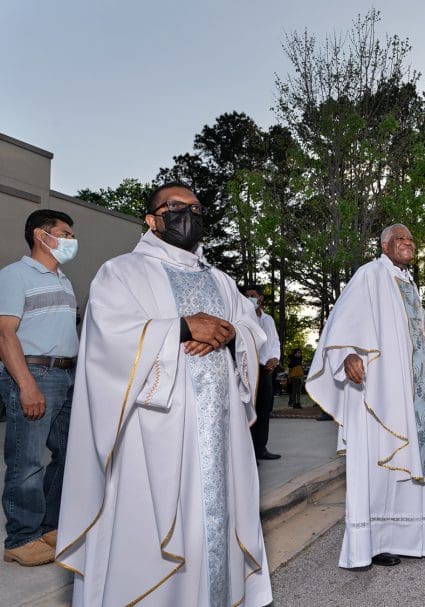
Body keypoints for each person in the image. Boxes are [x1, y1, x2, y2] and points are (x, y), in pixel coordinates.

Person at [55, 183, 273, 606]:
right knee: (150, 532)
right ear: (152, 219)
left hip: (219, 432)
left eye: (195, 207)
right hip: (153, 432)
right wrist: (184, 327)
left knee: (213, 524)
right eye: (175, 207)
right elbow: (107, 337)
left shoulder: (222, 281)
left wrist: (229, 333)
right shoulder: (122, 272)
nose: (187, 213)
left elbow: (252, 331)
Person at [305, 223, 425, 570]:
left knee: (409, 461)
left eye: (411, 239)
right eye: (400, 239)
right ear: (384, 246)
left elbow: (416, 335)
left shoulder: (410, 285)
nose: (407, 243)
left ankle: (414, 538)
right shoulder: (369, 275)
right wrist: (347, 355)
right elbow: (342, 322)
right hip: (376, 390)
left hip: (411, 393)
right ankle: (374, 542)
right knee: (378, 463)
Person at [0, 210, 79, 567]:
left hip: (65, 375)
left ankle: (49, 527)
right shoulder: (15, 276)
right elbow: (5, 334)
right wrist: (26, 385)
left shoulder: (63, 280)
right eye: (64, 233)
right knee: (27, 460)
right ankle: (21, 538)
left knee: (69, 453)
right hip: (33, 373)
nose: (71, 240)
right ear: (41, 235)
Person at [242, 285, 282, 460]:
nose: (249, 298)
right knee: (249, 409)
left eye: (252, 295)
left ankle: (261, 448)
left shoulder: (269, 320)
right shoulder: (243, 318)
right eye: (246, 296)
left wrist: (275, 359)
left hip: (266, 370)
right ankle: (248, 454)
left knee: (264, 409)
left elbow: (275, 342)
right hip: (250, 368)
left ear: (260, 298)